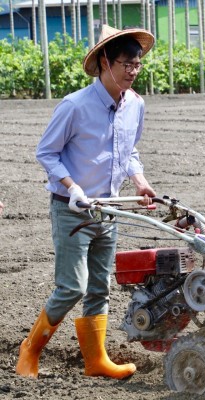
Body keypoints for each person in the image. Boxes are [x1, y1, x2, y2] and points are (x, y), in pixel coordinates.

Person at [16, 25, 156, 380]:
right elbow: (46, 152)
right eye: (127, 64)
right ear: (106, 62)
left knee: (99, 287)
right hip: (72, 210)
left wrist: (139, 182)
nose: (133, 71)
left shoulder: (135, 105)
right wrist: (71, 185)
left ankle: (96, 361)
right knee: (72, 286)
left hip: (108, 209)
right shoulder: (75, 106)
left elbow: (129, 151)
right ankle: (29, 351)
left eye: (138, 65)